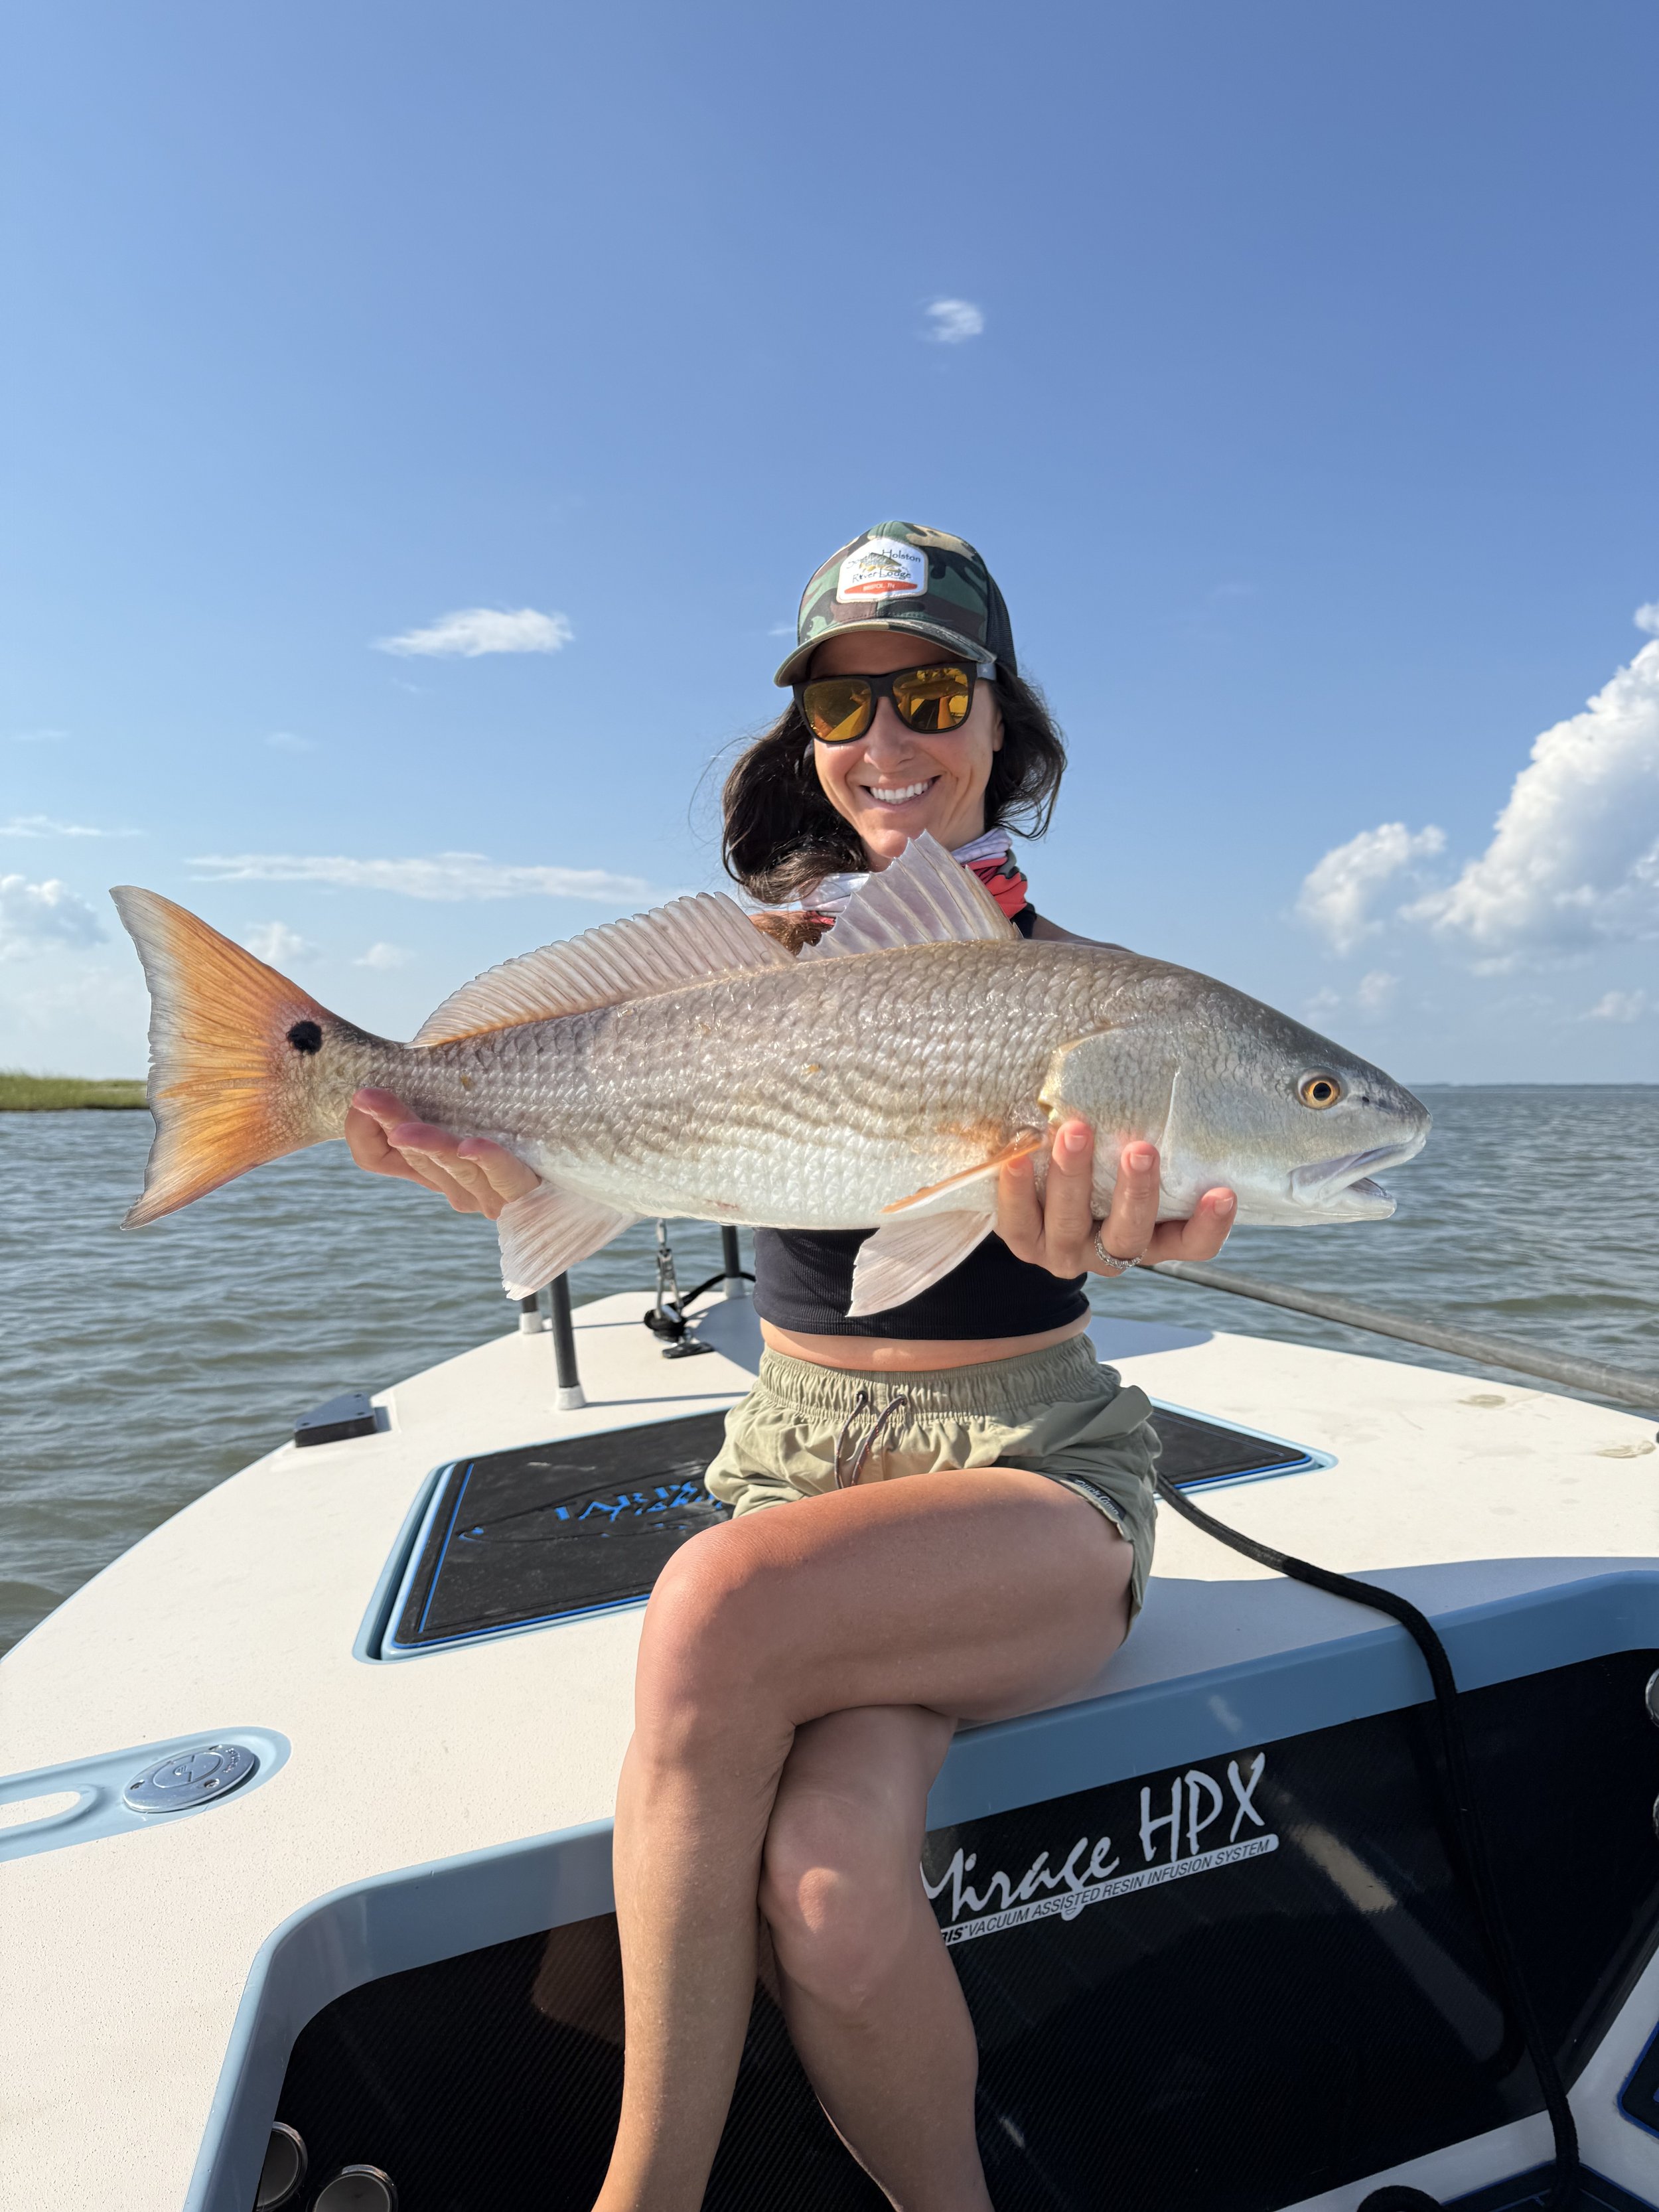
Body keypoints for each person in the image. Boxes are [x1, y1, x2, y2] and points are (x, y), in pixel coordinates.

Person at [345, 521, 1237, 2212]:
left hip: (1025, 1466)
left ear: (999, 723)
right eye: (844, 708)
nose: (886, 738)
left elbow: (1185, 1187)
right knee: (826, 1888)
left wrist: (1141, 1225)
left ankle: (642, 2197)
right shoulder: (752, 971)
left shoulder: (1102, 1006)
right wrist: (443, 1132)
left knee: (706, 1608)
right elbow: (576, 1138)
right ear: (804, 746)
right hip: (799, 1464)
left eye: (929, 691)